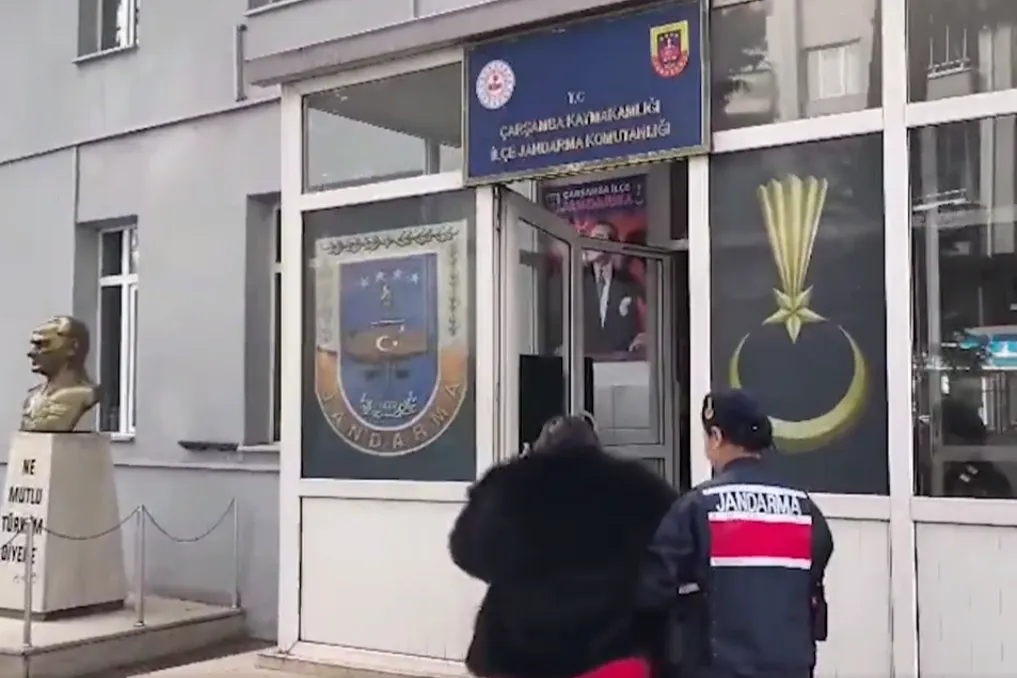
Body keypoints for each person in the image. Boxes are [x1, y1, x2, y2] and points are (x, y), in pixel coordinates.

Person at [449, 415, 678, 678]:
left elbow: (465, 552)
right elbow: (672, 559)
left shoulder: (508, 488)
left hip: (520, 655)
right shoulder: (640, 487)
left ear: (539, 448)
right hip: (615, 650)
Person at [638, 390, 834, 678]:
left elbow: (653, 589)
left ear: (716, 437)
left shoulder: (698, 507)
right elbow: (813, 575)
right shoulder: (804, 508)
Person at [583, 221, 645, 356]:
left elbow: (639, 324)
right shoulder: (577, 280)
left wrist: (641, 339)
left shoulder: (628, 282)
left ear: (612, 245)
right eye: (589, 238)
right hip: (584, 361)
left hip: (619, 361)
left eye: (598, 238)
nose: (590, 244)